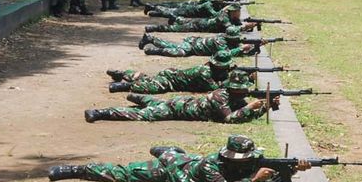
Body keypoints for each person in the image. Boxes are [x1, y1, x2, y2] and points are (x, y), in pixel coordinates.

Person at [48, 135, 312, 182]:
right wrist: (253, 181)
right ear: (233, 159)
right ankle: (77, 170)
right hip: (175, 172)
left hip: (190, 161)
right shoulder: (212, 167)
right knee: (126, 173)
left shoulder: (245, 164)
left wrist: (289, 173)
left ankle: (170, 150)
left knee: (179, 154)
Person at [83, 70, 274, 124]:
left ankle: (137, 96)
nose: (244, 92)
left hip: (177, 103)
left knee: (151, 101)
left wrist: (266, 106)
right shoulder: (220, 97)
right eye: (241, 89)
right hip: (174, 109)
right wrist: (251, 107)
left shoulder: (233, 98)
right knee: (142, 115)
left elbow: (242, 114)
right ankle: (100, 112)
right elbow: (230, 118)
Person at [106, 50, 248, 94]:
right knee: (151, 87)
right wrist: (233, 79)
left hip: (172, 74)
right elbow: (214, 89)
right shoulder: (205, 73)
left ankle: (122, 73)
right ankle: (124, 86)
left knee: (148, 78)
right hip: (170, 81)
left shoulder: (211, 69)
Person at [138, 26, 262, 57]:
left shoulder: (227, 40)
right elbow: (225, 54)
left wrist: (255, 47)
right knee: (179, 52)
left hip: (194, 44)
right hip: (192, 46)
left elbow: (236, 51)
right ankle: (154, 50)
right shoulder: (220, 42)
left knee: (172, 46)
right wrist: (242, 48)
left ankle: (151, 39)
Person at [144, 3, 257, 33]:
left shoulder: (229, 17)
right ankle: (152, 28)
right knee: (175, 28)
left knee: (179, 20)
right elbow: (230, 30)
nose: (239, 14)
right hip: (199, 26)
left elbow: (235, 23)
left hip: (201, 22)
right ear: (233, 12)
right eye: (238, 12)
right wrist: (244, 28)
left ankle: (157, 14)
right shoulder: (224, 18)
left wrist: (246, 25)